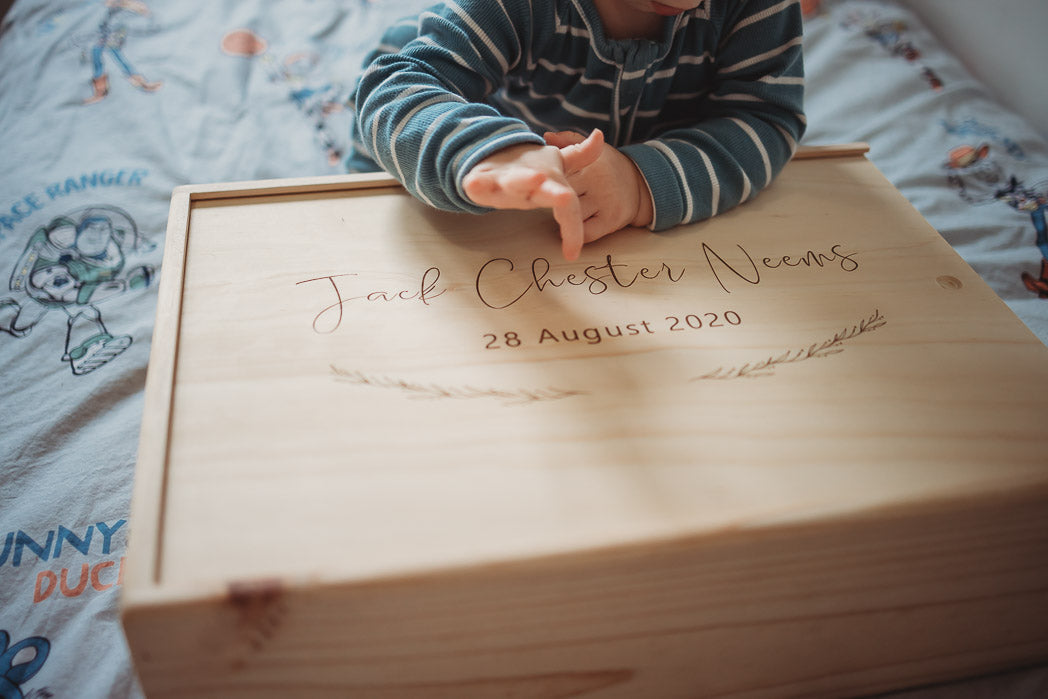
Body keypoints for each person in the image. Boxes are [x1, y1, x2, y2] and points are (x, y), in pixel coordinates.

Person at [349, 0, 805, 260]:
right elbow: (395, 89)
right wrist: (493, 151)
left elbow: (764, 118)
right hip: (482, 151)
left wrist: (640, 181)